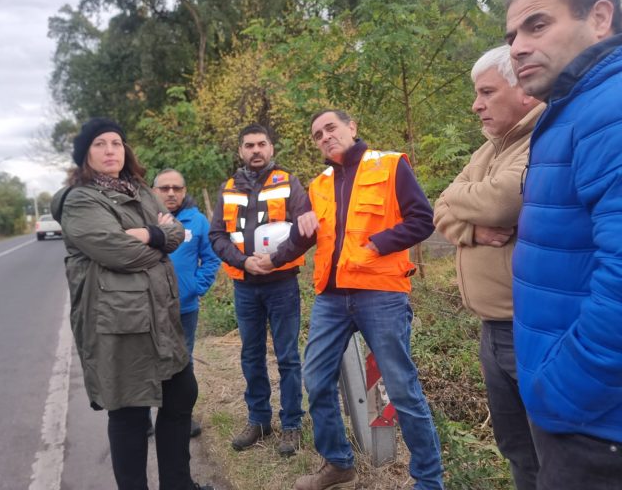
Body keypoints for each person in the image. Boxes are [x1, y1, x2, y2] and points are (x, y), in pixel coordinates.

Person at [263, 110, 443, 490]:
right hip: (331, 297)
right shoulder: (319, 185)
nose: (325, 136)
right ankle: (339, 463)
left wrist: (377, 245)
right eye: (317, 134)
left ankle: (428, 480)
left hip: (381, 294)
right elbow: (305, 239)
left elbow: (422, 220)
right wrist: (273, 257)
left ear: (352, 128)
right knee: (315, 377)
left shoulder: (390, 165)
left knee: (401, 388)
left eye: (331, 128)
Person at [504, 0, 622, 489]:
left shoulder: (609, 109)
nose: (517, 48)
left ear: (600, 18)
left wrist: (563, 389)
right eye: (512, 36)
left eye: (537, 26)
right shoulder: (573, 109)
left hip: (594, 422)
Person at [51, 118, 212, 490]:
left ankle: (178, 484)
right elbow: (120, 252)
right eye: (100, 144)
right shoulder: (80, 201)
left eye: (117, 143)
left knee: (180, 394)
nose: (110, 150)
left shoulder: (140, 190)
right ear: (85, 155)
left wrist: (152, 235)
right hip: (119, 324)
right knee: (130, 414)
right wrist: (159, 242)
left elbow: (176, 233)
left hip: (160, 316)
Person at [433, 45, 543, 490]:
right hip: (493, 330)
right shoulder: (489, 149)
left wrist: (471, 201)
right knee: (516, 446)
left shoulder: (542, 137)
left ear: (523, 92)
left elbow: (500, 202)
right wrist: (473, 232)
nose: (476, 105)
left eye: (486, 93)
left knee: (551, 449)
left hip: (531, 328)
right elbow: (440, 204)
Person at [209, 123, 308, 457]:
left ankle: (292, 424)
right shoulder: (227, 189)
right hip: (245, 286)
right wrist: (243, 261)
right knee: (251, 355)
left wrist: (275, 259)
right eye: (249, 145)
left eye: (261, 144)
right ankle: (259, 420)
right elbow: (217, 236)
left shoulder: (289, 183)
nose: (256, 150)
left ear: (271, 148)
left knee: (288, 357)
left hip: (282, 283)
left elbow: (305, 230)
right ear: (240, 151)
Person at [153, 168, 222, 438]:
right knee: (149, 361)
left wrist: (196, 287)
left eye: (177, 188)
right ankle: (149, 414)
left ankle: (183, 415)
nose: (171, 193)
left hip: (185, 308)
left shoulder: (197, 221)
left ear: (184, 191)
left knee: (184, 362)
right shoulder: (143, 220)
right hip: (150, 308)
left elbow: (212, 258)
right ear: (154, 191)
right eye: (165, 188)